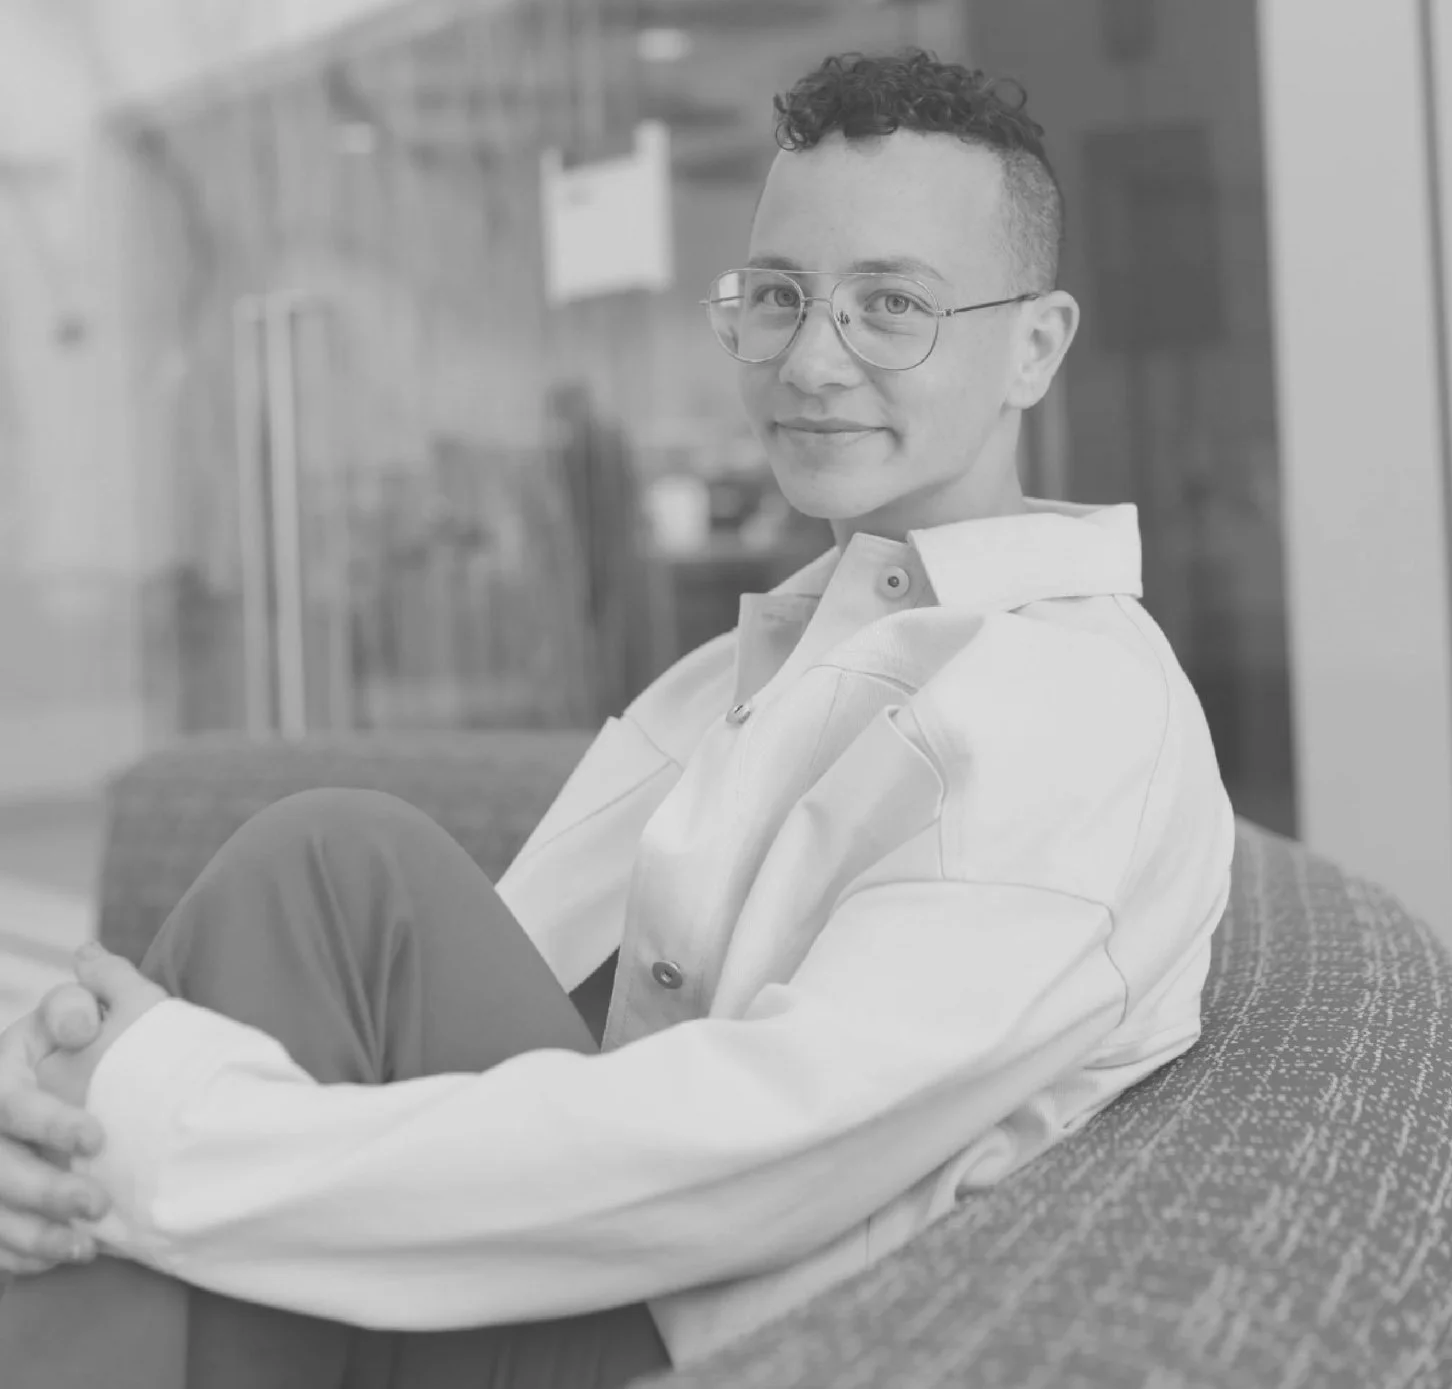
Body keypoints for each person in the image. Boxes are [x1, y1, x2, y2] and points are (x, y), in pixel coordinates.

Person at [0, 49, 1236, 1389]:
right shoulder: (781, 649)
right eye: (777, 296)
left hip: (689, 1330)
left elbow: (770, 1142)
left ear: (1035, 345)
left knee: (317, 891)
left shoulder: (1069, 707)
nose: (813, 360)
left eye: (893, 306)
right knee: (297, 909)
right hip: (568, 1259)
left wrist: (175, 1130)